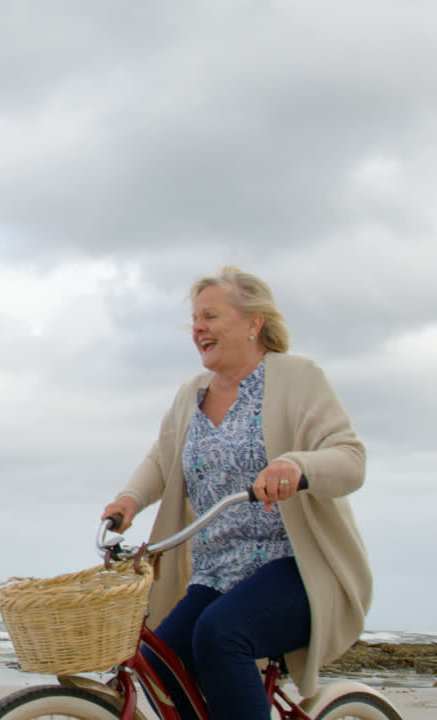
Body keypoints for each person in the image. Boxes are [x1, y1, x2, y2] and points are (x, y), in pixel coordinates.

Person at [101, 266, 371, 719]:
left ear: (253, 322)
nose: (198, 328)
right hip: (216, 573)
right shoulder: (191, 395)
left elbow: (350, 459)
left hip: (295, 568)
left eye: (210, 316)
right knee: (159, 662)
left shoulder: (297, 377)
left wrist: (296, 466)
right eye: (194, 319)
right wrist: (129, 500)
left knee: (220, 633)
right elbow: (161, 461)